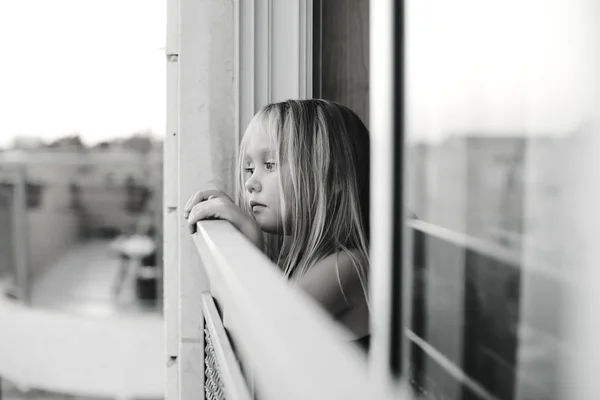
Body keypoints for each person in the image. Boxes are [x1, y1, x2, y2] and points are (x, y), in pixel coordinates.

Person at [184, 99, 371, 350]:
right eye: (249, 168)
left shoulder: (347, 267)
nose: (251, 182)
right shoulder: (301, 260)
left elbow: (264, 340)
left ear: (333, 178)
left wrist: (250, 248)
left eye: (269, 165)